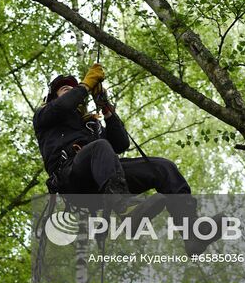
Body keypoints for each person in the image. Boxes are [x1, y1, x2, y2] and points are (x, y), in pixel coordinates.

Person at [33, 63, 221, 254]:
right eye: (64, 89)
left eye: (72, 88)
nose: (70, 89)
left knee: (163, 168)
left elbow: (121, 144)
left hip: (102, 182)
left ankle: (192, 233)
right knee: (100, 147)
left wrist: (105, 107)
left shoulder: (90, 127)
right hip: (72, 179)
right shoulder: (44, 115)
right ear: (52, 98)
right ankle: (125, 209)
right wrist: (86, 85)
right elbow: (64, 105)